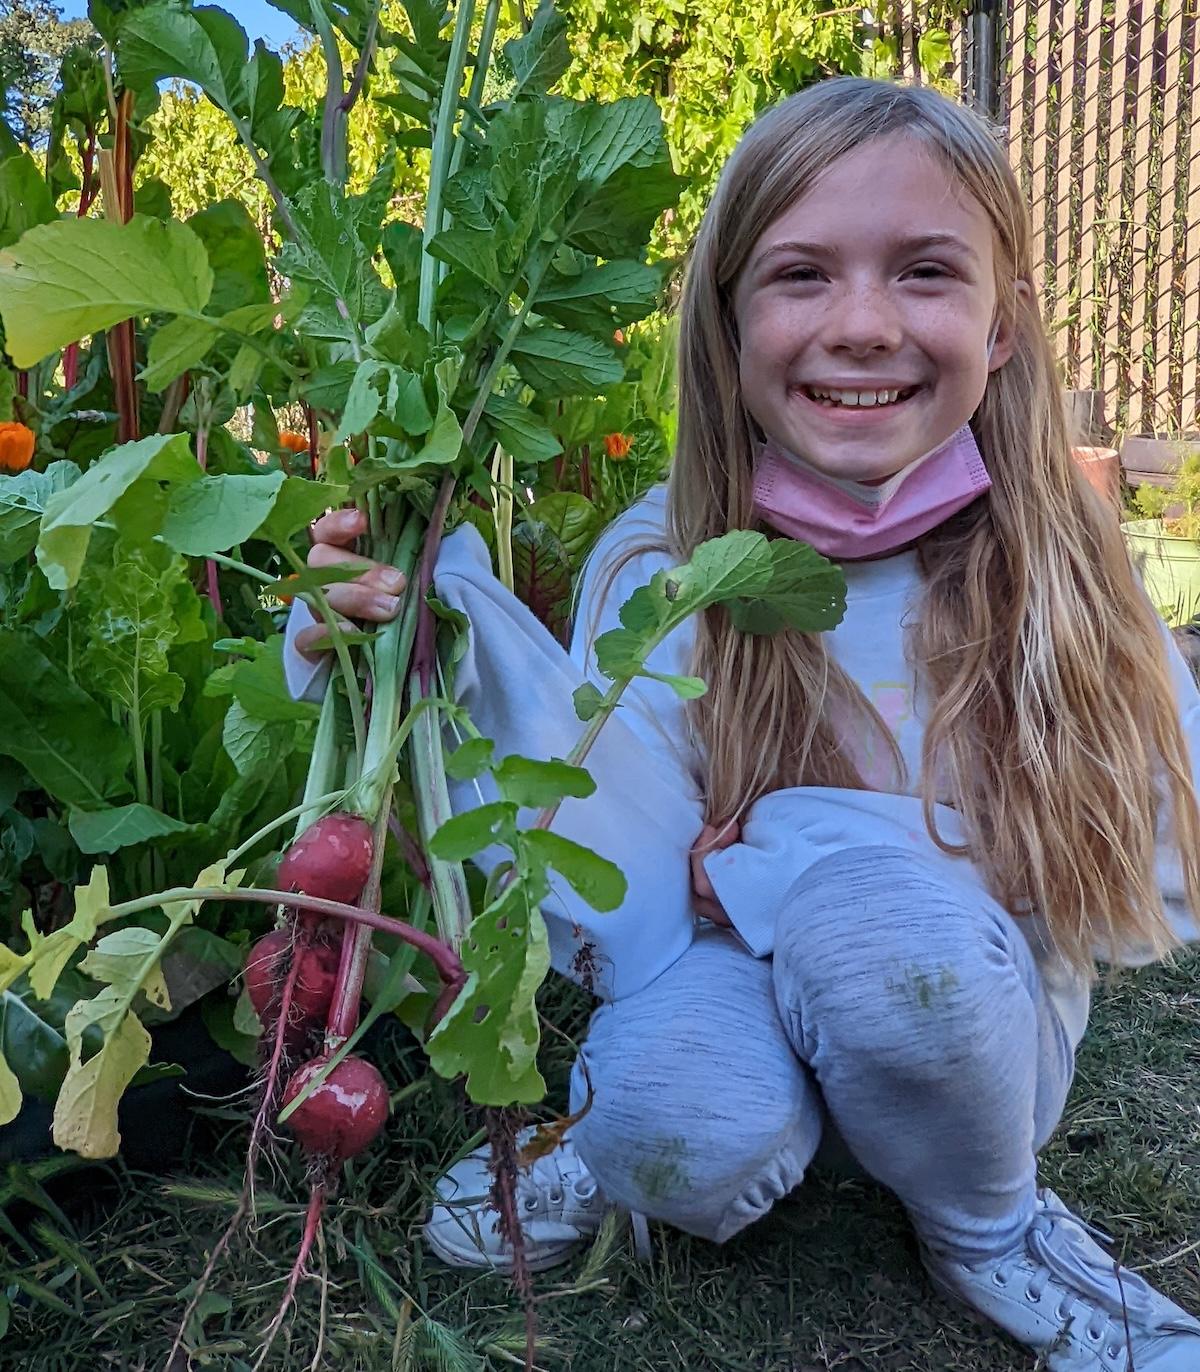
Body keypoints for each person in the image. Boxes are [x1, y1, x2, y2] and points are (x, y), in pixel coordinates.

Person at [285, 76, 1200, 1371]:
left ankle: (993, 1227)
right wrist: (399, 636)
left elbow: (1150, 849)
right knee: (667, 1111)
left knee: (884, 937)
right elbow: (595, 819)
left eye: (927, 272)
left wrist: (808, 855)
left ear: (1004, 326)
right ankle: (627, 1155)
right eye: (802, 276)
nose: (866, 324)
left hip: (961, 1022)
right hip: (723, 989)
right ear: (726, 322)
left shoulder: (1065, 565)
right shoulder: (666, 559)